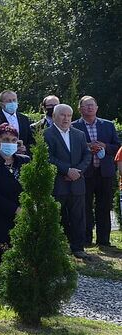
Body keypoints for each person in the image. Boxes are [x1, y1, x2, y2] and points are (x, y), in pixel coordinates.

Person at [0, 124, 30, 296]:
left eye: (14, 140)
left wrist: (28, 208)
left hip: (23, 220)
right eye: (6, 140)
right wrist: (15, 210)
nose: (10, 143)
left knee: (21, 259)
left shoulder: (25, 162)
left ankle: (18, 293)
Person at [72, 96, 120, 246]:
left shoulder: (108, 125)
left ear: (97, 108)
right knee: (85, 207)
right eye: (86, 106)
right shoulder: (74, 127)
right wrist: (87, 146)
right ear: (80, 109)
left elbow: (117, 146)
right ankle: (86, 239)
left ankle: (104, 240)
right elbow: (72, 149)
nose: (89, 108)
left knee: (104, 207)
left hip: (105, 172)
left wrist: (105, 146)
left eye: (92, 105)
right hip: (85, 173)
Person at [44, 104, 90, 258]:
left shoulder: (79, 134)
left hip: (77, 184)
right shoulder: (47, 134)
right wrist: (66, 170)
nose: (66, 118)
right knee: (55, 217)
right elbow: (48, 157)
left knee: (78, 217)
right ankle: (54, 248)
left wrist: (78, 171)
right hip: (58, 184)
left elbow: (87, 155)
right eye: (63, 115)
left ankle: (78, 248)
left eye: (69, 115)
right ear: (55, 116)